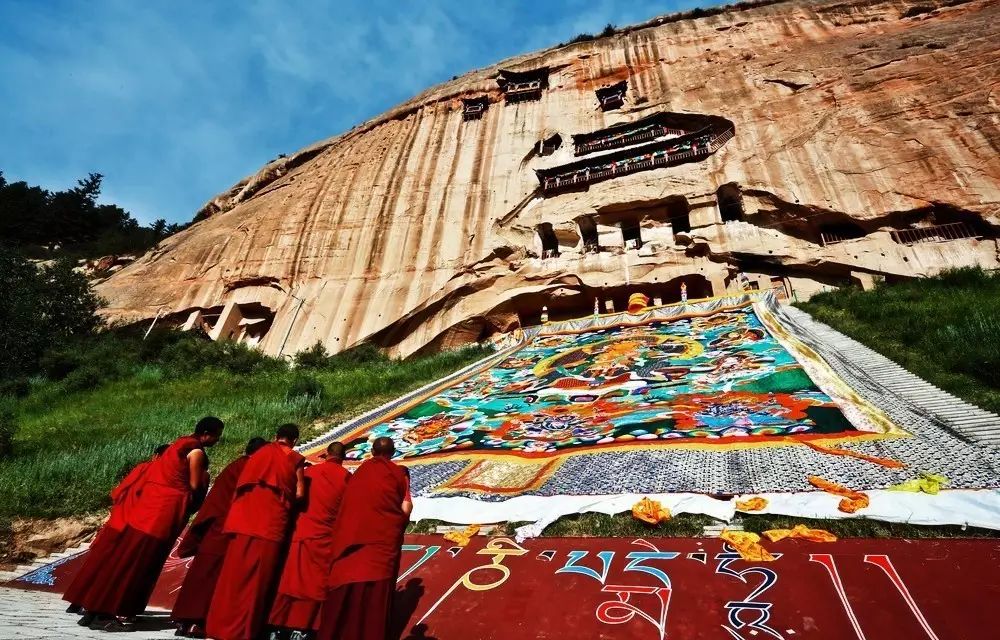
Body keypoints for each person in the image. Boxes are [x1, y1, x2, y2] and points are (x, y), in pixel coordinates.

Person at [77, 417, 224, 631]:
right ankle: (105, 614)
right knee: (136, 564)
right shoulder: (196, 452)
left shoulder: (178, 444)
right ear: (208, 434)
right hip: (162, 515)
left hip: (147, 510)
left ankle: (93, 610)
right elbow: (194, 484)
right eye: (217, 435)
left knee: (124, 561)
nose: (218, 440)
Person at [206, 424, 306, 640]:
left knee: (232, 577)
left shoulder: (259, 454)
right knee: (257, 582)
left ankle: (217, 627)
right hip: (269, 524)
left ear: (276, 437)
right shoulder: (294, 458)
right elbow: (299, 493)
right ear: (295, 440)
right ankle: (243, 632)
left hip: (242, 521)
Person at [316, 437, 412, 640]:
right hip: (380, 545)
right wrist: (400, 522)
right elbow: (406, 507)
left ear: (371, 451)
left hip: (350, 542)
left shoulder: (358, 473)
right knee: (373, 604)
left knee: (344, 588)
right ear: (393, 452)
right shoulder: (398, 473)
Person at [172, 437, 268, 637]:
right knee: (212, 576)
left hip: (216, 526)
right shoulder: (249, 468)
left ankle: (185, 620)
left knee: (203, 572)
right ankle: (195, 621)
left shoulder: (236, 465)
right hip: (228, 529)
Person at [63, 443, 169, 615]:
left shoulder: (142, 467)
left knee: (95, 564)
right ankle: (96, 606)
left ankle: (76, 601)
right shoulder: (157, 471)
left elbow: (118, 492)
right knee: (112, 569)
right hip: (130, 525)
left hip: (116, 520)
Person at [268, 442, 351, 639]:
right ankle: (303, 626)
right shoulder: (347, 478)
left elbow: (296, 496)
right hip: (325, 536)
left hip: (301, 531)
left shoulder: (311, 472)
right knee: (315, 583)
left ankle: (276, 624)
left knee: (289, 579)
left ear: (326, 454)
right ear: (343, 457)